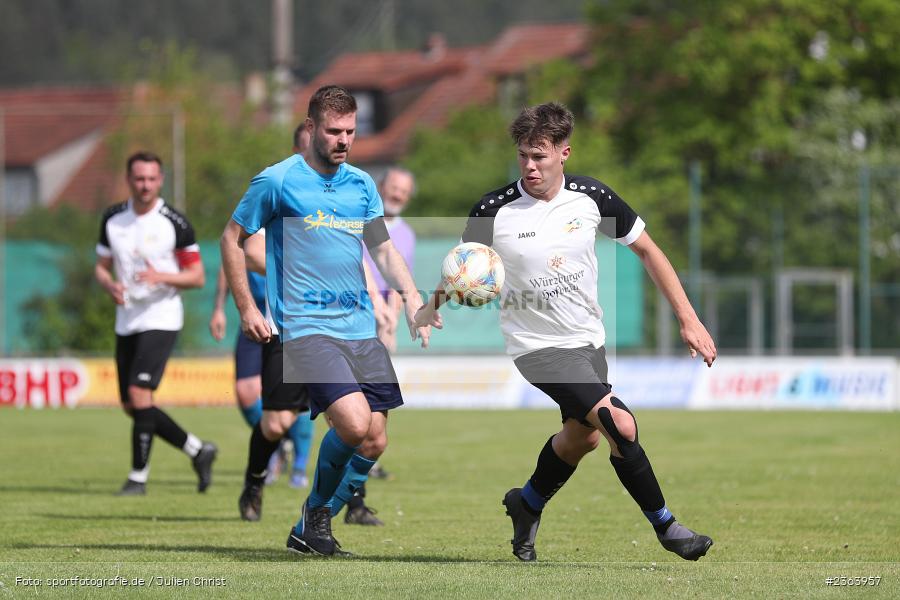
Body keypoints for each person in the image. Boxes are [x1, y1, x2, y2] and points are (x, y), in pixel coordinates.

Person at [414, 102, 717, 562]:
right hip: (535, 347)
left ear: (564, 152)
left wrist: (688, 318)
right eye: (522, 156)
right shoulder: (494, 209)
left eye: (540, 156)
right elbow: (466, 269)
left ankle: (526, 503)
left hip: (587, 341)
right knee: (619, 423)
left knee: (584, 438)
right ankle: (668, 527)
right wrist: (428, 307)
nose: (530, 166)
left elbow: (650, 253)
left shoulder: (593, 198)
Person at [221, 85, 436, 555]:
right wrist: (246, 307)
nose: (343, 140)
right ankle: (315, 516)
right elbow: (231, 238)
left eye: (351, 132)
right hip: (306, 329)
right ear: (313, 128)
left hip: (359, 328)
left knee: (375, 441)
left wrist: (413, 298)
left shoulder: (361, 185)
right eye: (334, 131)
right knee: (356, 425)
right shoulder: (277, 181)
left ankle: (311, 524)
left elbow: (381, 248)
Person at [95, 151, 217, 496]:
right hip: (127, 318)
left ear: (160, 180)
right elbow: (101, 266)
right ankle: (198, 449)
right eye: (139, 178)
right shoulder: (113, 218)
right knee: (132, 406)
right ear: (128, 180)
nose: (145, 185)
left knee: (139, 393)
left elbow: (197, 277)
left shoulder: (174, 223)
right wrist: (110, 285)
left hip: (161, 316)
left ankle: (137, 478)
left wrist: (159, 275)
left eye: (151, 179)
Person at [208, 124, 316, 490]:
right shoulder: (271, 190)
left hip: (295, 318)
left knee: (300, 404)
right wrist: (221, 307)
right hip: (254, 313)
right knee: (246, 393)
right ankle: (277, 447)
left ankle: (299, 463)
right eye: (304, 148)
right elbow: (234, 249)